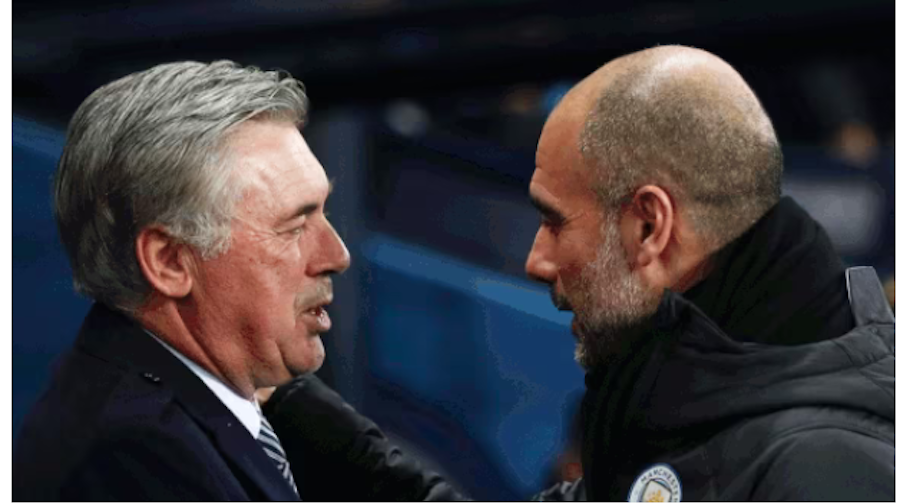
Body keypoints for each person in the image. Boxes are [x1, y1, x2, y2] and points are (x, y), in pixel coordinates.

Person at [265, 45, 895, 501]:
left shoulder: (825, 471)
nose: (536, 260)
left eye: (555, 221)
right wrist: (289, 404)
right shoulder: (694, 411)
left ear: (649, 226)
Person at [14, 60, 363, 500]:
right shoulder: (138, 459)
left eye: (324, 213)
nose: (337, 256)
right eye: (294, 227)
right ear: (170, 262)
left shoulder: (192, 406)